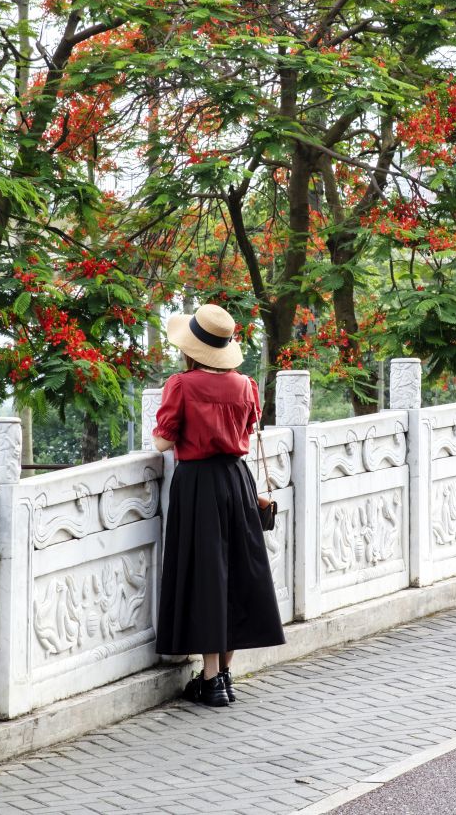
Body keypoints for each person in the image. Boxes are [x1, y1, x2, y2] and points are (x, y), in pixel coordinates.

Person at [150, 303, 285, 707]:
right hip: (237, 481)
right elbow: (248, 428)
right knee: (239, 574)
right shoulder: (244, 385)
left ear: (191, 348)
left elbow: (162, 440)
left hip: (198, 486)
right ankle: (224, 676)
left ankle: (209, 681)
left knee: (207, 575)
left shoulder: (181, 384)